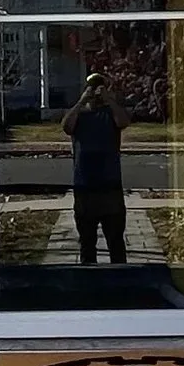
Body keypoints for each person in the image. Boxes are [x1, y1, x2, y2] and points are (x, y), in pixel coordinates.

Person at [60, 75, 128, 267]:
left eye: (100, 87)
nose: (96, 91)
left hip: (110, 186)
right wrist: (82, 101)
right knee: (87, 242)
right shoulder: (78, 115)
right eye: (92, 87)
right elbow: (66, 126)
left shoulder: (110, 113)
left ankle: (121, 280)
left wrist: (109, 100)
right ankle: (89, 281)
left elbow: (123, 122)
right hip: (85, 187)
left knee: (115, 241)